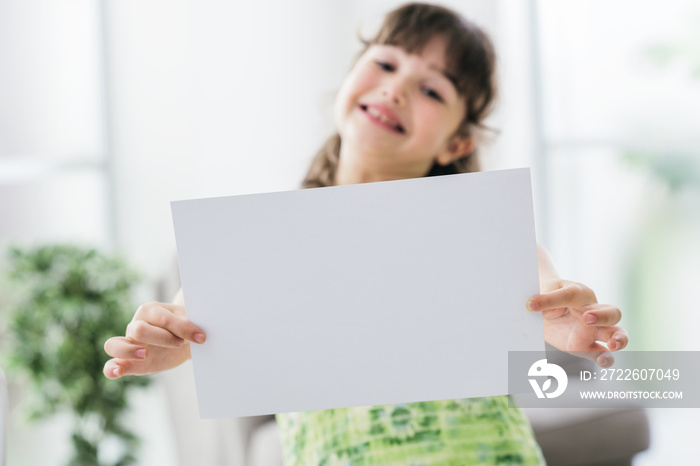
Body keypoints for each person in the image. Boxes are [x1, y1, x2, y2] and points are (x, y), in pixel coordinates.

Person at [104, 3, 629, 464]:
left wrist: (563, 326)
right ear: (352, 73)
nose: (395, 88)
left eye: (430, 89)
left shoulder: (478, 230)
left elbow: (545, 292)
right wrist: (169, 338)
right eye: (384, 62)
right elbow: (185, 317)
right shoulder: (262, 239)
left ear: (456, 144)